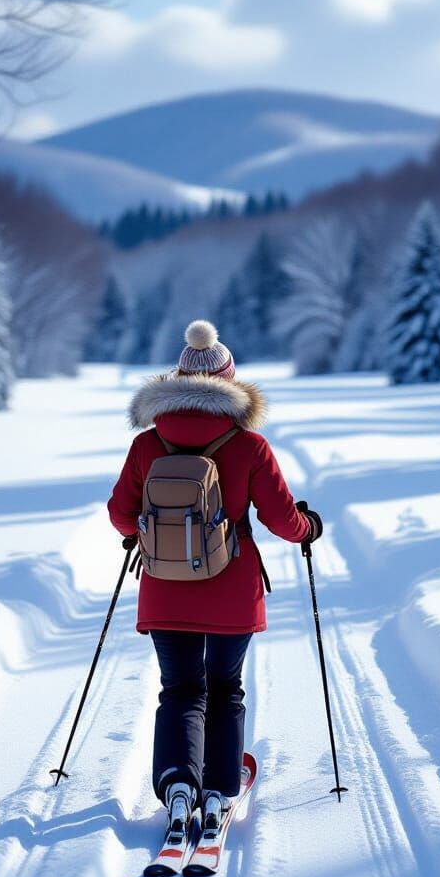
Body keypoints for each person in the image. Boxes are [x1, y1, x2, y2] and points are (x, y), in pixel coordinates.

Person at [107, 319, 322, 834]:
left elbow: (119, 513)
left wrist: (140, 530)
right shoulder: (249, 445)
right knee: (225, 688)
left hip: (165, 588)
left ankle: (178, 783)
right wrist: (308, 528)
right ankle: (220, 789)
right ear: (230, 382)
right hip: (231, 588)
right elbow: (280, 520)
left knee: (179, 689)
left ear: (177, 378)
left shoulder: (147, 444)